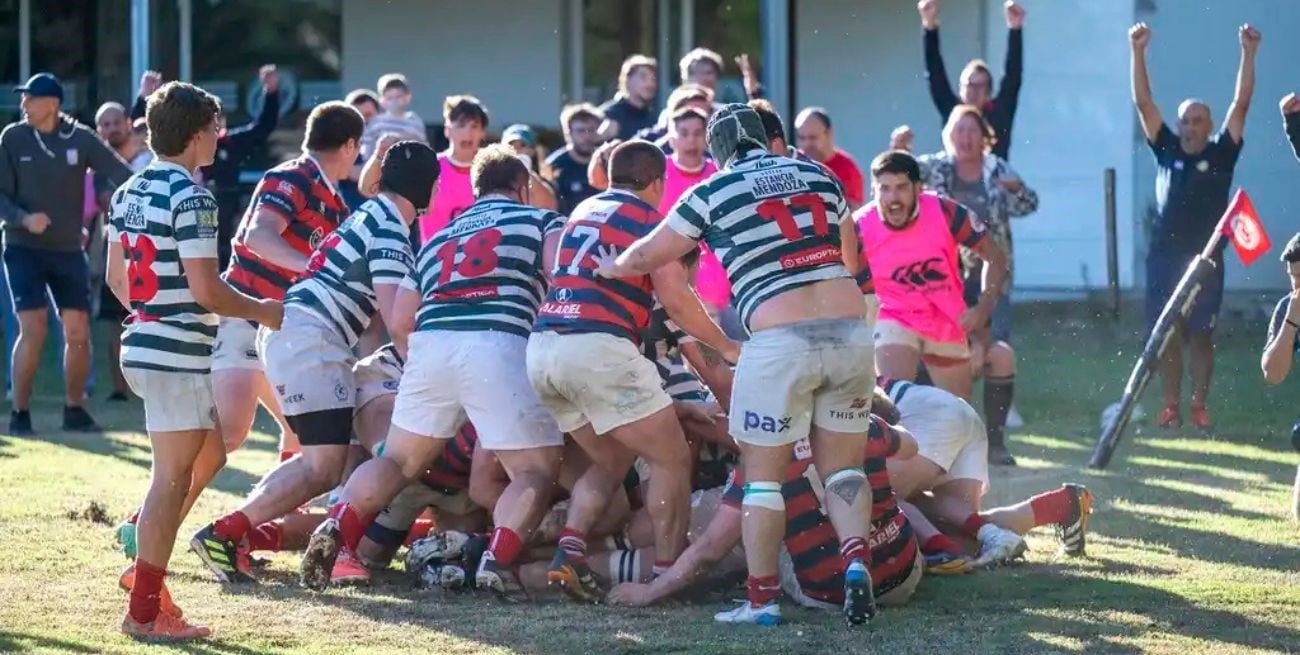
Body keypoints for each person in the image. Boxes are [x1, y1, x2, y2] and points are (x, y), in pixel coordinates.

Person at [593, 104, 877, 627]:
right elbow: (850, 260)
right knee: (844, 468)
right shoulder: (819, 174)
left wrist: (615, 265)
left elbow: (651, 254)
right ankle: (857, 559)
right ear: (766, 140)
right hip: (850, 333)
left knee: (763, 481)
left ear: (717, 152)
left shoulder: (711, 190)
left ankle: (761, 601)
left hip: (779, 341)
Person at [299, 145, 565, 598]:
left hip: (430, 347)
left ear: (476, 190)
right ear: (522, 188)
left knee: (397, 461)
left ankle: (338, 527)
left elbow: (402, 318)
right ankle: (497, 561)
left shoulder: (439, 237)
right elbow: (561, 278)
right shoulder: (541, 221)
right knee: (535, 471)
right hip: (499, 341)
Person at [191, 141, 437, 586]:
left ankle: (237, 534)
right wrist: (422, 371)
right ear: (427, 189)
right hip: (311, 336)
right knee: (324, 467)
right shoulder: (391, 230)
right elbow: (395, 320)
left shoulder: (369, 212)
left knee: (324, 461)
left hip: (296, 329)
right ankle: (225, 533)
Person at [106, 80, 284, 640]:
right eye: (214, 128)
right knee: (171, 480)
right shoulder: (193, 197)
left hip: (146, 345)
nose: (219, 137)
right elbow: (207, 290)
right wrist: (263, 310)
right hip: (175, 355)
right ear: (195, 134)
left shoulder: (127, 190)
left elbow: (116, 280)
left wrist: (156, 317)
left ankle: (143, 557)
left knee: (210, 456)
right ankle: (144, 610)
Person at [528, 140, 738, 602]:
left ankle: (570, 550)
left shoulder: (582, 209)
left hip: (543, 347)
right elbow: (677, 299)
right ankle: (664, 575)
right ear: (659, 183)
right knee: (672, 458)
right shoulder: (648, 220)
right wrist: (728, 345)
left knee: (612, 458)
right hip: (596, 347)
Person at [607, 421, 922, 613]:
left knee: (753, 523)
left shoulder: (762, 460)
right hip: (904, 574)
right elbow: (910, 446)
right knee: (874, 490)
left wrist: (650, 592)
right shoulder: (864, 423)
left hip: (829, 593)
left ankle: (758, 596)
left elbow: (711, 549)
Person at [215, 101, 361, 462]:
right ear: (349, 145)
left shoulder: (336, 202)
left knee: (303, 435)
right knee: (230, 429)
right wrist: (314, 269)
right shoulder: (295, 176)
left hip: (283, 329)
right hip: (246, 313)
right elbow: (258, 237)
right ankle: (162, 497)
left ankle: (277, 502)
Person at [1130, 22, 1259, 431]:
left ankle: (1199, 404)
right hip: (1164, 257)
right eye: (1185, 120)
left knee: (1201, 334)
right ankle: (1170, 406)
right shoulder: (1166, 147)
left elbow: (1241, 104)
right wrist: (1137, 51)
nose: (1189, 127)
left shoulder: (1222, 153)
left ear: (1209, 124)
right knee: (1168, 332)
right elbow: (1144, 103)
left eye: (1197, 121)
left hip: (1207, 260)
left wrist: (1248, 53)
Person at [0, 73, 133, 435]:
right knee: (34, 329)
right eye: (24, 98)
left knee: (77, 331)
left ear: (53, 104)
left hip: (68, 251)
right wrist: (24, 218)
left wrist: (151, 194)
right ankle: (20, 412)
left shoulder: (80, 138)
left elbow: (121, 173)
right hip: (23, 248)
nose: (24, 104)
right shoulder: (13, 137)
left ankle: (75, 409)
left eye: (31, 98)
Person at [911, 105, 1038, 464]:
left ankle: (994, 434)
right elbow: (897, 181)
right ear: (948, 135)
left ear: (984, 137)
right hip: (941, 275)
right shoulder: (933, 167)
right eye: (959, 130)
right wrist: (899, 149)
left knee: (995, 348)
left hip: (991, 273)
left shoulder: (997, 169)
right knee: (935, 351)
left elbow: (1029, 204)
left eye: (972, 130)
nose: (965, 138)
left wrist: (1017, 189)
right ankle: (930, 431)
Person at [873, 378, 1092, 569]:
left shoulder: (856, 383)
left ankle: (944, 550)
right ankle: (1060, 505)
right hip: (952, 410)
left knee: (878, 494)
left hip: (924, 414)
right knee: (965, 539)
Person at [856, 151, 1007, 406]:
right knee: (895, 400)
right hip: (893, 315)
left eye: (901, 188)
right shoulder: (858, 227)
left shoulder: (946, 212)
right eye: (885, 189)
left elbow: (996, 257)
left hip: (945, 317)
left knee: (958, 411)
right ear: (873, 191)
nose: (893, 198)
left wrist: (983, 308)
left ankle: (993, 432)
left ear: (918, 188)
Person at [134, 67, 283, 270]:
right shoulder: (180, 146)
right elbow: (142, 131)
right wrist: (146, 98)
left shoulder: (229, 143)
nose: (212, 132)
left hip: (222, 219)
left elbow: (263, 127)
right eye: (205, 124)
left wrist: (271, 93)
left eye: (216, 122)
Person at [917, 0, 1025, 160]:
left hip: (992, 176)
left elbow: (1013, 75)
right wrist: (929, 25)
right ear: (961, 89)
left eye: (980, 86)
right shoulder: (952, 111)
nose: (973, 91)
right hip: (956, 176)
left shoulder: (999, 113)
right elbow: (935, 74)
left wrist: (1015, 29)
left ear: (988, 93)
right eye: (969, 85)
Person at [95, 102, 150, 403]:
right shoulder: (96, 166)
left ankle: (151, 387)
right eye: (105, 124)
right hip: (114, 249)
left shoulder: (149, 160)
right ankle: (120, 390)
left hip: (148, 251)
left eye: (117, 122)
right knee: (116, 321)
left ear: (129, 124)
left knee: (151, 316)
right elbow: (103, 202)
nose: (112, 128)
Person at [1260, 234, 1300, 522]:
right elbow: (1273, 374)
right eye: (1293, 278)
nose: (1297, 287)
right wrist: (1292, 321)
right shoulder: (1288, 307)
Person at [415, 95, 487, 240]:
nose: (468, 133)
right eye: (461, 125)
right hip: (435, 253)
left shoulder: (493, 171)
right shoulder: (429, 168)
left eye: (474, 126)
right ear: (447, 130)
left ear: (482, 132)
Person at [794, 108, 865, 210]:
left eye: (813, 137)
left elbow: (854, 211)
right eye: (801, 138)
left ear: (829, 133)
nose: (806, 144)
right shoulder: (792, 164)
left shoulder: (847, 168)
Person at [546, 103, 603, 215]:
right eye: (581, 131)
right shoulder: (553, 166)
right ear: (568, 133)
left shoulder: (607, 162)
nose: (587, 136)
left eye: (591, 130)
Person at [359, 74, 428, 159]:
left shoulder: (415, 122)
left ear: (408, 97)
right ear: (382, 101)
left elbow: (423, 147)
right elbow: (367, 151)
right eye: (390, 98)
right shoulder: (376, 123)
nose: (394, 101)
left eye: (398, 97)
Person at [600, 55, 659, 141]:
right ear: (627, 80)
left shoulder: (655, 119)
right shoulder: (609, 115)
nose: (650, 84)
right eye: (643, 77)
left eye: (653, 79)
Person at [501, 123, 558, 211]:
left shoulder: (546, 181)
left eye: (522, 145)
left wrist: (527, 174)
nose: (516, 150)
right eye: (511, 145)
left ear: (533, 150)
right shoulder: (492, 181)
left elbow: (550, 206)